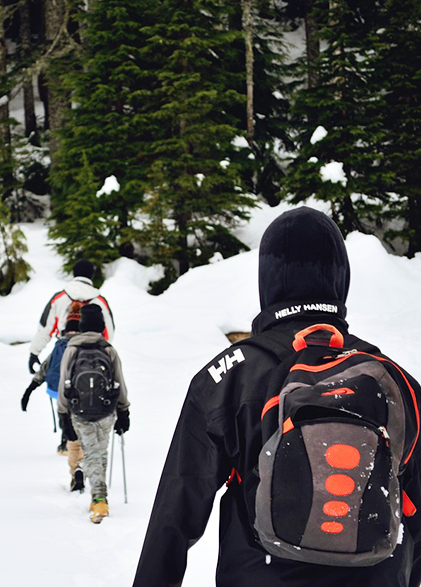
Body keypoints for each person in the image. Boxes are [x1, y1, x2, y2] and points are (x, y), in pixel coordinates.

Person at [133, 207, 421, 587]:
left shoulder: (227, 376)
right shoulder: (394, 380)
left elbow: (175, 512)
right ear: (340, 280)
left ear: (267, 281)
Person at [28, 259, 115, 454]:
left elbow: (45, 327)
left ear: (74, 273)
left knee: (64, 390)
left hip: (64, 349)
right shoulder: (100, 300)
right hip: (92, 350)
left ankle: (67, 439)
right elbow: (110, 332)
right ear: (91, 275)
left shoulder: (59, 298)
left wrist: (34, 353)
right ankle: (86, 439)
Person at [57, 303, 130, 523]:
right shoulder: (108, 349)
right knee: (100, 451)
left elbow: (63, 383)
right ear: (101, 326)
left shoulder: (72, 349)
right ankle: (99, 496)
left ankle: (99, 498)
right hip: (106, 409)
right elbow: (119, 382)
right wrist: (124, 411)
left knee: (91, 453)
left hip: (79, 411)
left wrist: (63, 415)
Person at [22, 305, 86, 491]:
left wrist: (30, 389)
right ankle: (82, 463)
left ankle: (67, 447)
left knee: (67, 422)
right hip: (83, 395)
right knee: (82, 428)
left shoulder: (59, 346)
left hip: (59, 392)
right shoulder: (86, 344)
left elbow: (44, 369)